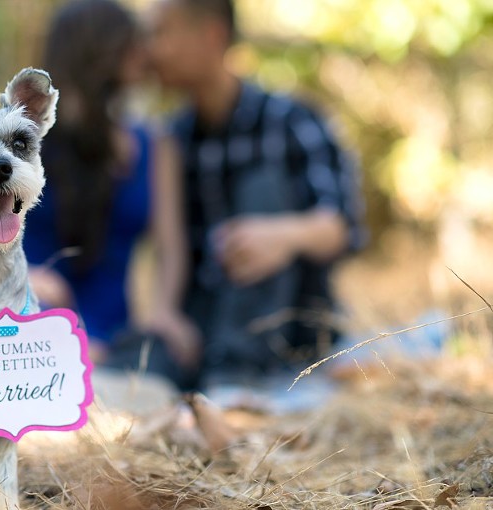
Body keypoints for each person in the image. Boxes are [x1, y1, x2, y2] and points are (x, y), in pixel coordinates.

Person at [146, 0, 366, 390]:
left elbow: (342, 226)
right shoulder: (173, 137)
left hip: (288, 323)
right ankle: (218, 372)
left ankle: (238, 375)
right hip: (205, 324)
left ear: (211, 35)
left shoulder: (291, 120)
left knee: (262, 187)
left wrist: (283, 235)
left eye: (163, 33)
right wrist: (165, 313)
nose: (152, 50)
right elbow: (170, 247)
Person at [24, 0, 199, 388]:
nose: (146, 52)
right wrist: (21, 277)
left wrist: (164, 309)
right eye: (132, 41)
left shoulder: (155, 145)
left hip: (114, 338)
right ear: (100, 51)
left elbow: (170, 246)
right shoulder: (22, 141)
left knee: (167, 361)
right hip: (30, 320)